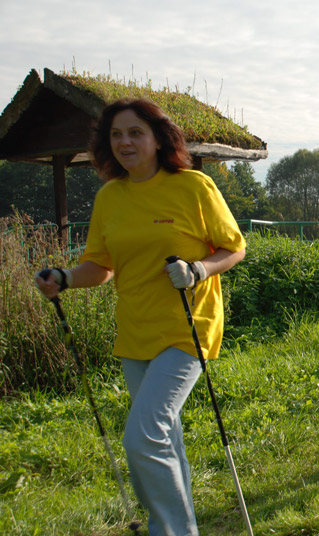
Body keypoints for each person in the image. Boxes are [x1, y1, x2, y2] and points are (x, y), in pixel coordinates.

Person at [35, 98, 246, 536]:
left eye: (135, 133)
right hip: (135, 332)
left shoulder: (194, 187)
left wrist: (198, 270)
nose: (125, 142)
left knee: (143, 435)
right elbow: (101, 265)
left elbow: (234, 247)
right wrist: (65, 277)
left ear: (157, 138)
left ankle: (168, 531)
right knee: (163, 437)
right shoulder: (110, 196)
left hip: (189, 328)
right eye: (116, 135)